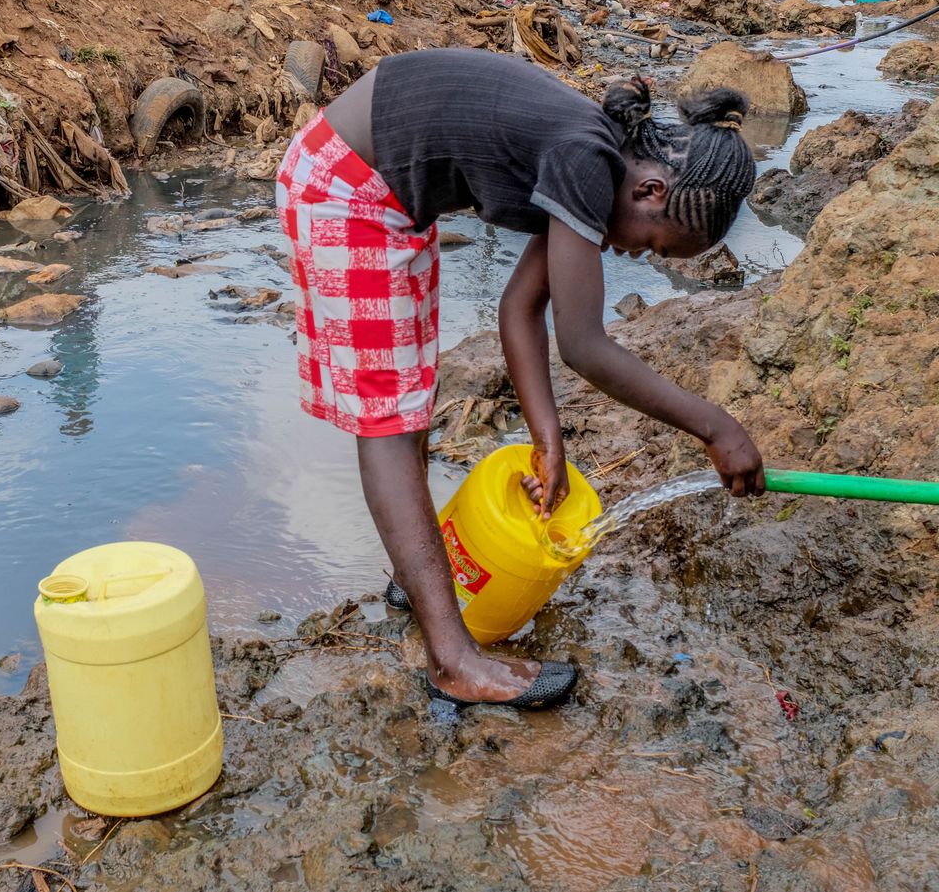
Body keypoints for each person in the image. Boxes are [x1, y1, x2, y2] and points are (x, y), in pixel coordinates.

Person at [275, 48, 766, 710]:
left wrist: (548, 438)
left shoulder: (592, 159)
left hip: (384, 193)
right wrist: (717, 426)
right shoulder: (586, 161)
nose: (633, 253)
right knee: (387, 422)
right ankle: (451, 660)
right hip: (345, 187)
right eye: (653, 243)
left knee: (409, 397)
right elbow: (584, 345)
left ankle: (412, 583)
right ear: (651, 191)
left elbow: (519, 307)